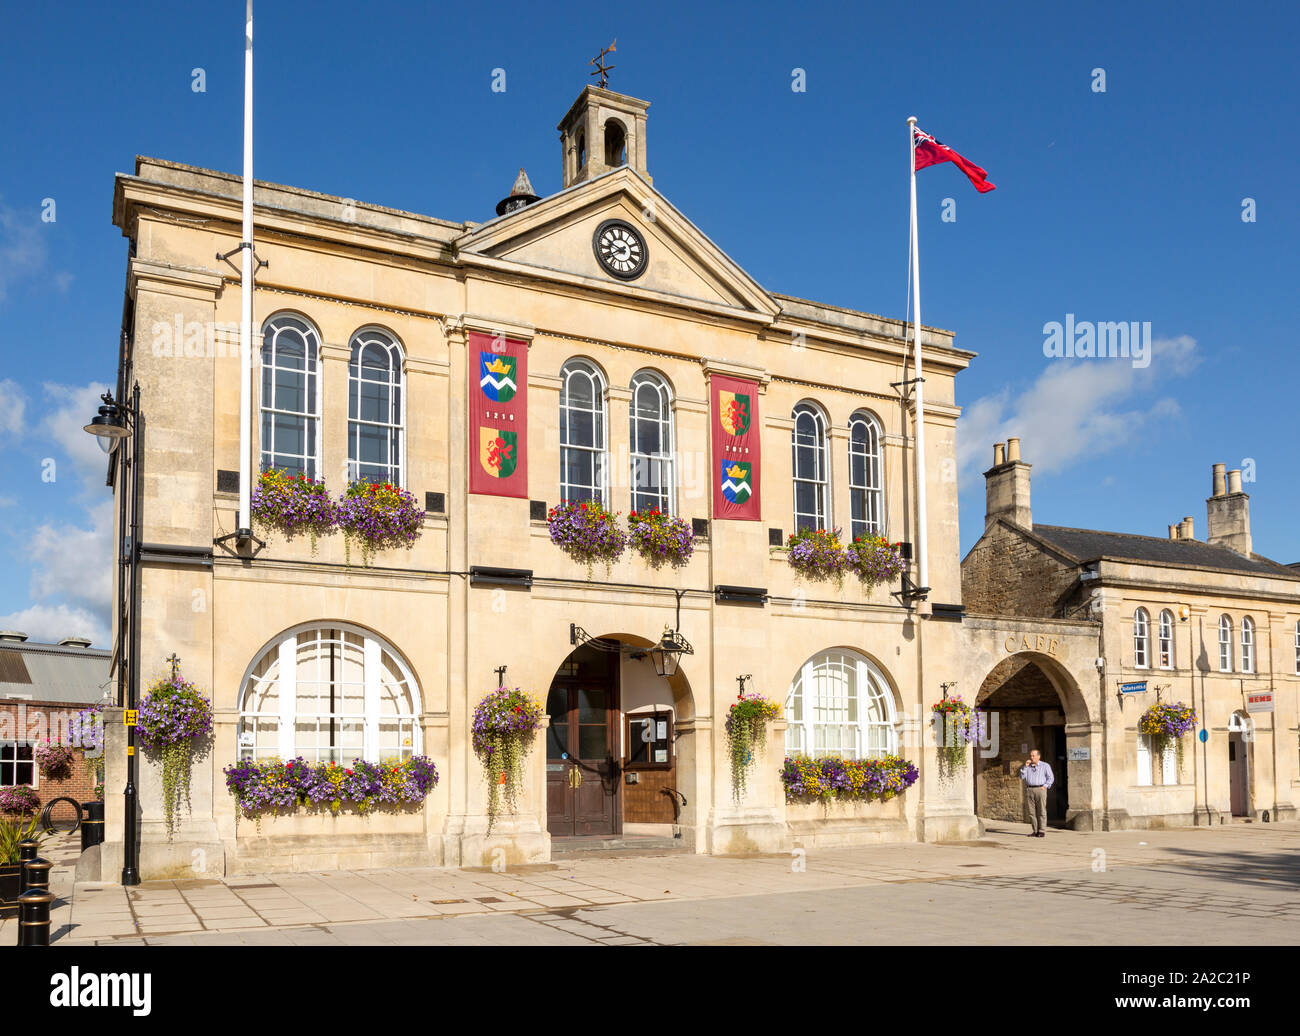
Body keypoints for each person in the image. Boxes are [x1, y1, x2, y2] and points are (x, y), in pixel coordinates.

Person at [1019, 749, 1054, 838]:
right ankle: (1035, 830)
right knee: (1031, 812)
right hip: (1030, 789)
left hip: (1040, 789)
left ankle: (1041, 831)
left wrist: (1045, 786)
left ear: (1039, 756)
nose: (1031, 757)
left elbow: (1051, 778)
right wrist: (1025, 767)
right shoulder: (1028, 766)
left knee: (1041, 811)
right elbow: (1022, 776)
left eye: (1033, 756)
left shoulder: (1045, 766)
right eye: (1031, 756)